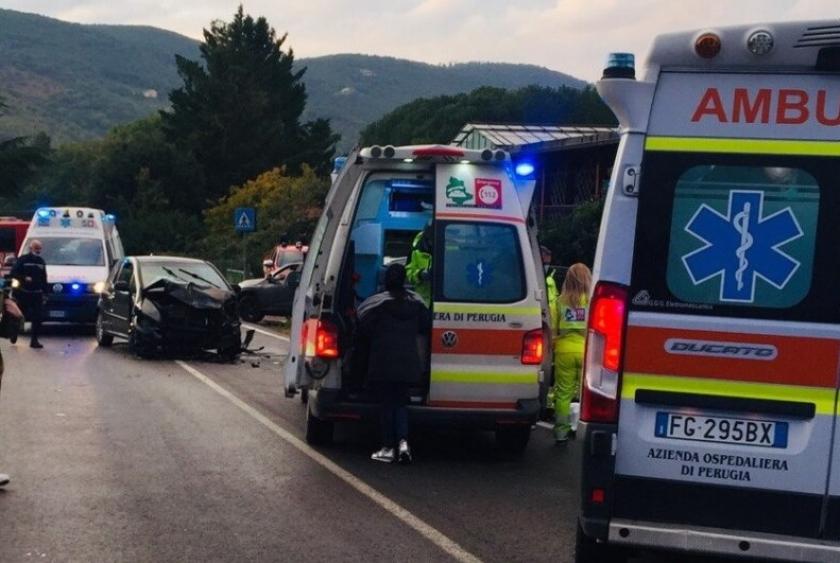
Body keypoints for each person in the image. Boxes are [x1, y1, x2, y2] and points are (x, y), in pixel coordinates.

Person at [357, 263, 431, 464]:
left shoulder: (376, 306)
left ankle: (388, 447)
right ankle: (404, 443)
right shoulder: (417, 305)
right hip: (408, 364)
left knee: (387, 405)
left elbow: (362, 327)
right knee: (400, 403)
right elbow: (427, 325)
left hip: (383, 364)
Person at [553, 263, 592, 444]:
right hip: (587, 351)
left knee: (563, 394)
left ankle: (561, 433)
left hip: (564, 351)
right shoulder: (592, 302)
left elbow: (553, 330)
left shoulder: (560, 301)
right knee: (587, 394)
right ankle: (585, 430)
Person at [10, 240, 48, 349]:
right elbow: (14, 273)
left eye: (39, 248)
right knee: (20, 315)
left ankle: (34, 340)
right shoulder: (23, 260)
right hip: (23, 293)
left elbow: (44, 278)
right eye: (36, 248)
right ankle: (14, 332)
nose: (38, 251)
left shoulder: (41, 262)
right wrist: (24, 278)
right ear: (31, 248)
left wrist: (45, 293)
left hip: (37, 294)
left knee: (38, 317)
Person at [405, 223, 433, 306]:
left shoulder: (450, 245)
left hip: (445, 301)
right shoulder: (417, 248)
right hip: (423, 302)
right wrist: (420, 274)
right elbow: (409, 272)